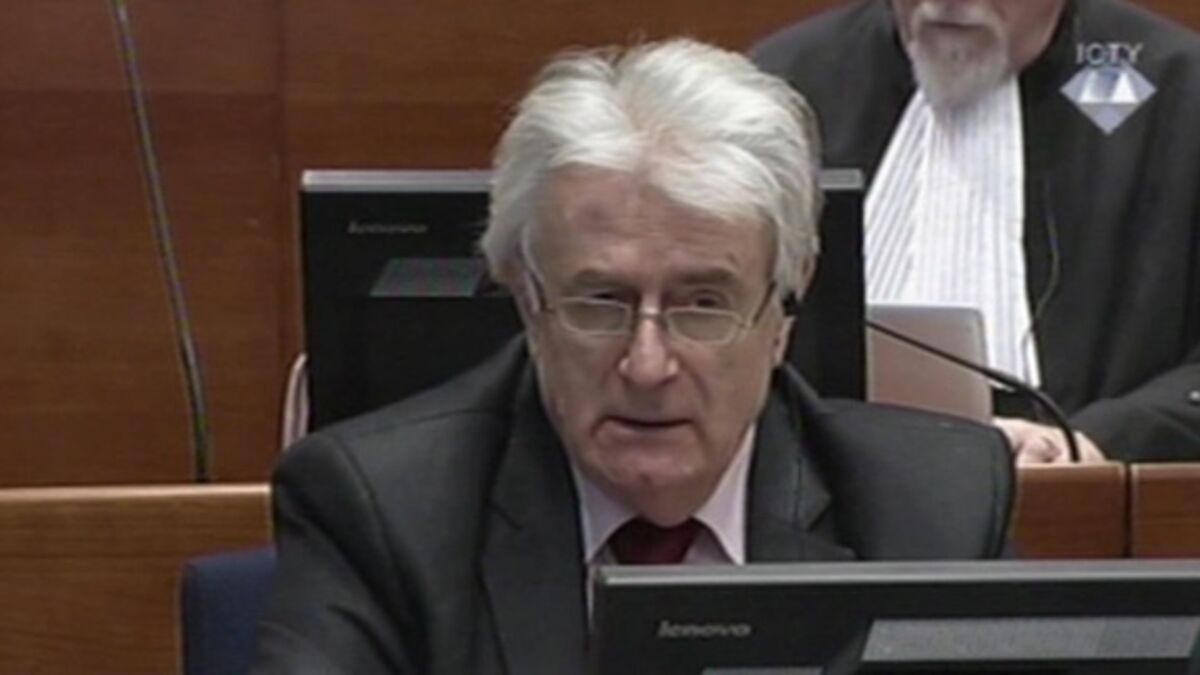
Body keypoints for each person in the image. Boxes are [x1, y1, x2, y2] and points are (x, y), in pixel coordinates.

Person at [250, 39, 1012, 675]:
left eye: (703, 304)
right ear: (526, 297)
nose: (648, 366)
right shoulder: (383, 511)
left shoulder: (930, 510)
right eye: (601, 302)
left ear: (785, 303)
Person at [753, 0, 1200, 465]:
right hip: (825, 480)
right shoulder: (786, 84)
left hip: (1080, 487)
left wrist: (1100, 440)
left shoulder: (1181, 92)